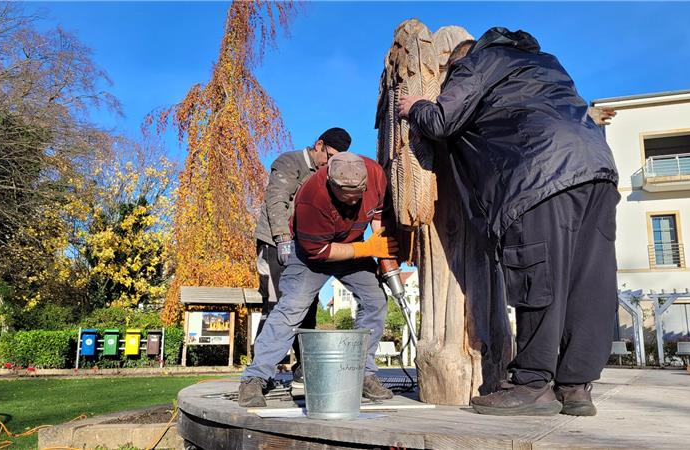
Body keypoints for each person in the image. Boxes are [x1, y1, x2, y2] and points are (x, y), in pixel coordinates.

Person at [398, 27, 620, 417]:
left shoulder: (479, 62)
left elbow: (442, 121)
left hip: (539, 172)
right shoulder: (548, 65)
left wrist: (415, 106)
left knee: (539, 276)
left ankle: (532, 384)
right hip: (597, 169)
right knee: (589, 281)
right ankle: (575, 388)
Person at [239, 152, 400, 407]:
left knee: (375, 301)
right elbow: (321, 252)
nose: (353, 201)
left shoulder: (376, 174)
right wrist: (368, 250)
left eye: (358, 195)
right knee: (291, 307)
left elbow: (378, 214)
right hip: (310, 255)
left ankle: (362, 374)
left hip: (354, 247)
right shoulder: (311, 199)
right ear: (330, 182)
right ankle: (255, 378)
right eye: (346, 197)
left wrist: (382, 252)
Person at [254, 127, 352, 387]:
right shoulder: (290, 162)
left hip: (305, 246)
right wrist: (282, 238)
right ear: (319, 144)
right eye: (330, 156)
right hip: (275, 244)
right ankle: (260, 372)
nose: (332, 164)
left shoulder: (327, 175)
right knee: (276, 305)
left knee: (307, 305)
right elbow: (276, 200)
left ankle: (303, 367)